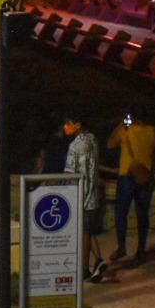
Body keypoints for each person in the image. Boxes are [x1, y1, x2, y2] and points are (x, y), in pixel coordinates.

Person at [106, 107, 155, 262]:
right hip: (144, 175)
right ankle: (141, 250)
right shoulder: (152, 131)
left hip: (126, 175)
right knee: (143, 214)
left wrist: (122, 124)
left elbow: (110, 144)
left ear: (132, 117)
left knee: (121, 213)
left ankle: (122, 247)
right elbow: (152, 152)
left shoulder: (125, 130)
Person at [63, 111, 106, 282]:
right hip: (93, 194)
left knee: (84, 234)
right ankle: (99, 261)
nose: (66, 127)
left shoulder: (75, 145)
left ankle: (84, 270)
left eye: (69, 123)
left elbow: (70, 174)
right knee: (88, 231)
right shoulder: (92, 139)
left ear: (78, 125)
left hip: (81, 195)